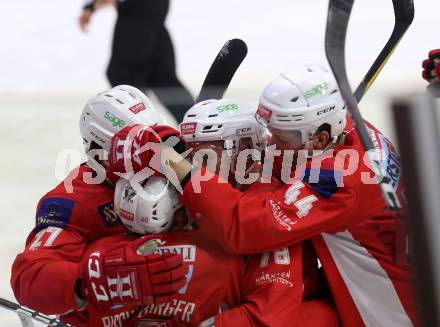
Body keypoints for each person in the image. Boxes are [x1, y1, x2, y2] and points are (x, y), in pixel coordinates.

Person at [108, 64, 420, 327]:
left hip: (391, 315)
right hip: (371, 291)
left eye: (280, 137)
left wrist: (176, 164)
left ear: (321, 136)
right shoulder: (350, 129)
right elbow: (290, 161)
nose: (270, 144)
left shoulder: (341, 179)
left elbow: (244, 226)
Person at [10, 85, 188, 326]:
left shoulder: (168, 167)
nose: (145, 154)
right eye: (129, 145)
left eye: (149, 139)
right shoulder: (71, 200)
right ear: (97, 150)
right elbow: (29, 277)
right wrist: (91, 283)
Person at [79, 0, 194, 123]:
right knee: (162, 78)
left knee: (125, 79)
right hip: (152, 18)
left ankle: (145, 131)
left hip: (137, 19)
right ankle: (196, 125)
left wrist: (92, 7)